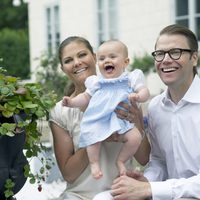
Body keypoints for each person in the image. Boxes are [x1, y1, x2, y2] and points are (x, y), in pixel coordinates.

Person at [93, 24, 200, 200]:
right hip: (169, 193)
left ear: (194, 58)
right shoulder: (156, 107)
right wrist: (145, 181)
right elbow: (158, 161)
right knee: (103, 198)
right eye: (160, 54)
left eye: (175, 52)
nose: (165, 60)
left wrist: (150, 189)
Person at [49, 36, 150, 200]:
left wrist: (136, 121)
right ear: (63, 68)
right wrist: (97, 133)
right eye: (68, 60)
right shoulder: (61, 111)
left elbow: (144, 158)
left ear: (94, 57)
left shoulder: (125, 97)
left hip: (120, 193)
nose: (77, 62)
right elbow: (69, 174)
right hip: (78, 196)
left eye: (82, 55)